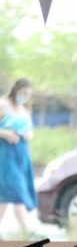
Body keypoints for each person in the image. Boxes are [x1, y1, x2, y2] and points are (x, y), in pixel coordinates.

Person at [0, 79, 36, 237]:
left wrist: (28, 135)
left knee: (5, 196)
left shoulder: (25, 109)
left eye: (28, 95)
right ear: (16, 90)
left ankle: (24, 234)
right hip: (5, 153)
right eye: (23, 93)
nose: (26, 97)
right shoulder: (3, 104)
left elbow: (30, 131)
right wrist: (6, 134)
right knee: (16, 190)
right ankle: (25, 232)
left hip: (21, 153)